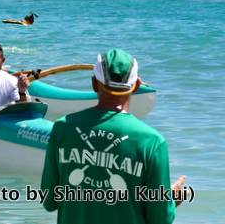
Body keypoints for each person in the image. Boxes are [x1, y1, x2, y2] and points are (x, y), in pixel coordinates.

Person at [41, 48, 187, 224]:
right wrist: (169, 201)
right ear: (137, 85)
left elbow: (49, 201)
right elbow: (160, 219)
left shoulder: (63, 128)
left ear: (94, 84)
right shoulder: (152, 142)